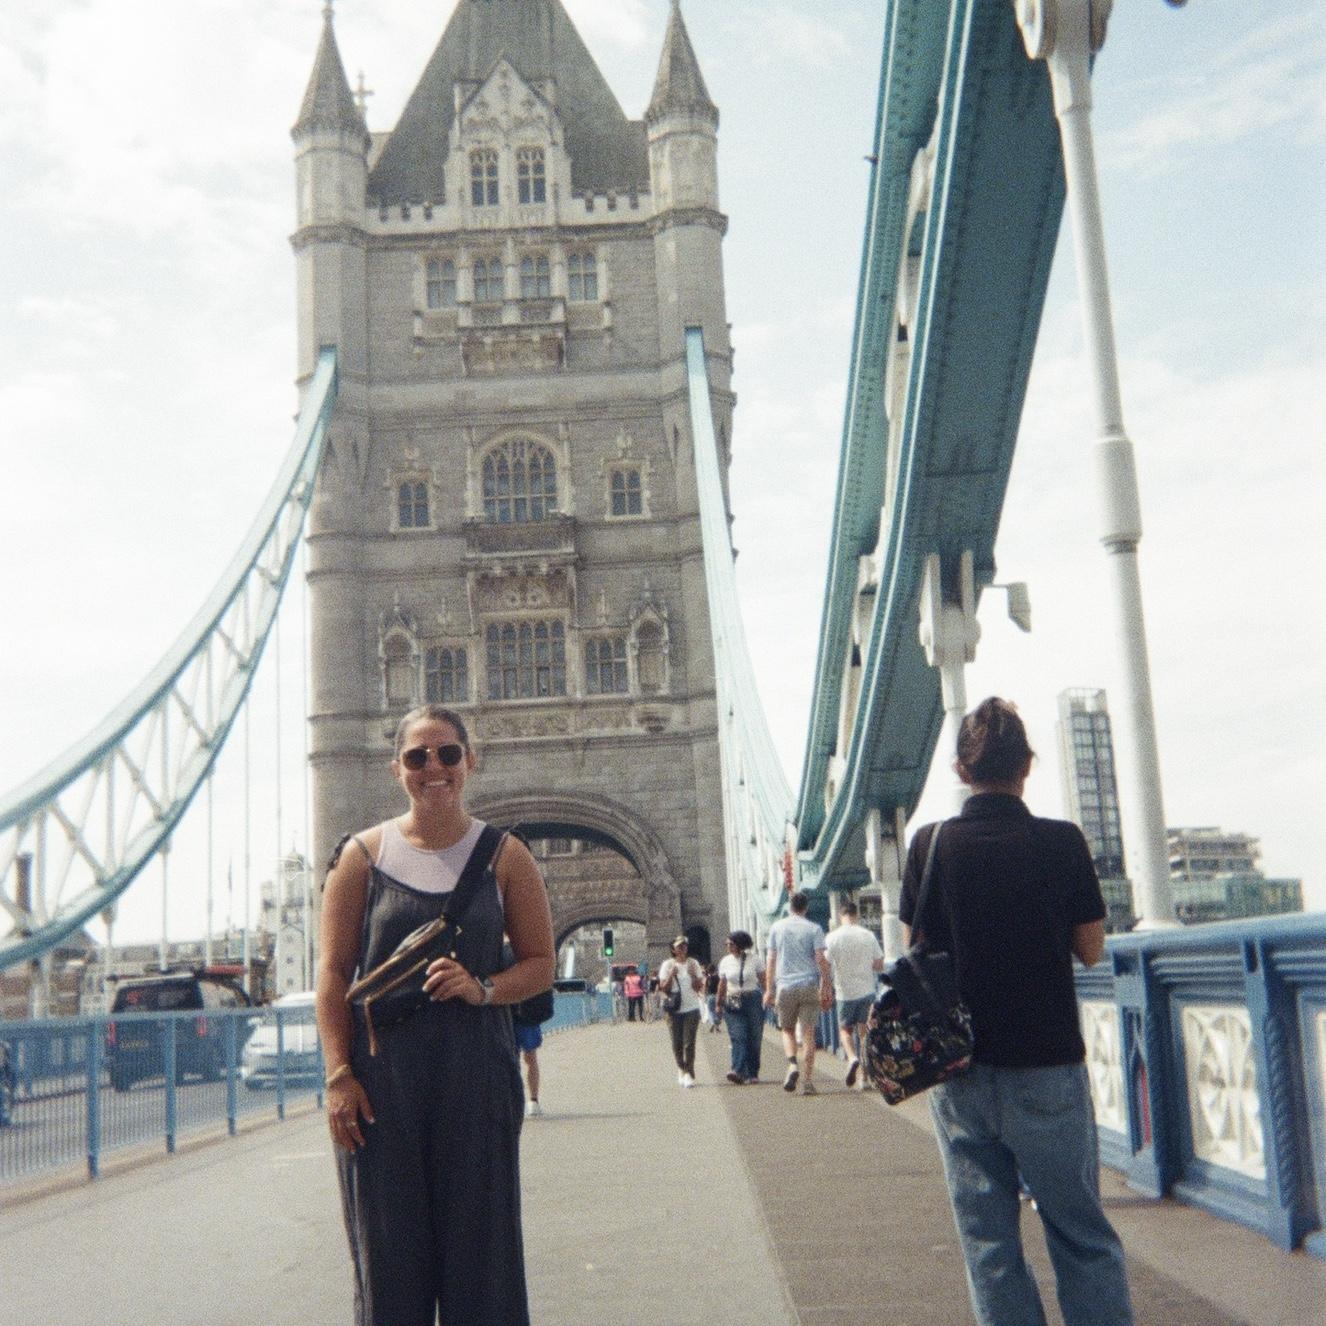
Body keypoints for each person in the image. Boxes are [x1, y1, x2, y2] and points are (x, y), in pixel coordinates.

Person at [316, 704, 556, 1326]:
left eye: (448, 753)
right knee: (388, 1263)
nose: (434, 768)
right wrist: (338, 1074)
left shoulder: (506, 857)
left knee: (484, 1264)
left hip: (476, 1076)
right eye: (418, 756)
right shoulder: (361, 858)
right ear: (397, 769)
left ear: (471, 762)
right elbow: (334, 973)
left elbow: (539, 963)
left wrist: (480, 987)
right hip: (379, 1085)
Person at [901, 697, 1133, 1326]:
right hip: (1046, 1063)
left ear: (959, 769)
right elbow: (1090, 951)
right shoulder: (1061, 842)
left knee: (989, 1244)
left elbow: (913, 955)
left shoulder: (930, 844)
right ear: (1027, 766)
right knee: (1080, 1234)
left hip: (959, 1070)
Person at [763, 891, 832, 1095]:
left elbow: (771, 961)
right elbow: (820, 958)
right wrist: (826, 984)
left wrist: (768, 990)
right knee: (808, 1034)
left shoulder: (776, 928)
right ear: (806, 908)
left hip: (785, 986)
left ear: (789, 907)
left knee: (787, 1030)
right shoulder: (815, 928)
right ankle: (808, 1081)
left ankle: (792, 1064)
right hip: (809, 985)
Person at [824, 898, 884, 1088]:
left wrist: (825, 986)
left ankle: (851, 1058)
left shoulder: (832, 937)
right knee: (864, 1034)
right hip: (867, 990)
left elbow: (825, 964)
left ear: (842, 916)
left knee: (845, 1030)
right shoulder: (868, 935)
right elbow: (879, 964)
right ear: (856, 915)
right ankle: (864, 1079)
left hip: (844, 992)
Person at [715, 930, 765, 1084]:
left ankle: (752, 1072)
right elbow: (722, 984)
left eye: (731, 943)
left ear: (740, 944)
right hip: (734, 997)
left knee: (754, 1037)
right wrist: (718, 1003)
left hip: (752, 998)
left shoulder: (755, 960)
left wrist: (770, 995)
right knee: (738, 1035)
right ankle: (737, 1070)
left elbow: (763, 980)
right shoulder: (725, 961)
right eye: (727, 944)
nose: (728, 946)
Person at [657, 935, 704, 1087]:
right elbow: (663, 988)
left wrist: (692, 975)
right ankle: (681, 1068)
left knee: (689, 1043)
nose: (683, 948)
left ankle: (689, 1073)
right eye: (679, 946)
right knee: (676, 1044)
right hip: (673, 1010)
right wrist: (671, 974)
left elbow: (699, 988)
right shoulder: (667, 965)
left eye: (684, 945)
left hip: (691, 1008)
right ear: (673, 949)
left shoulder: (694, 964)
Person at [704, 962, 721, 1031]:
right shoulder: (718, 977)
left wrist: (705, 996)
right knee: (718, 1011)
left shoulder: (708, 978)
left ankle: (712, 1022)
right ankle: (716, 1023)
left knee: (711, 1011)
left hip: (710, 996)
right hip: (717, 995)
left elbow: (705, 988)